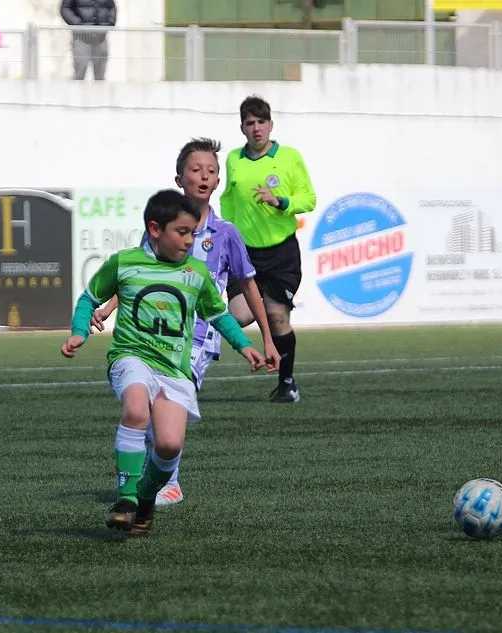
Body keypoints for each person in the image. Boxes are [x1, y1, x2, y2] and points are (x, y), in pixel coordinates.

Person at [61, 189, 266, 535]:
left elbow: (219, 316)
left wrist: (245, 346)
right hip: (131, 357)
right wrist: (79, 332)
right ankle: (125, 499)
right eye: (182, 232)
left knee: (169, 445)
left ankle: (144, 496)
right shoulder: (124, 263)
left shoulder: (196, 274)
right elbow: (88, 299)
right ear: (155, 229)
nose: (190, 240)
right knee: (137, 409)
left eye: (193, 233)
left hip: (174, 370)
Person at [89, 138, 281, 507]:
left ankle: (168, 482)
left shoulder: (227, 235)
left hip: (197, 338)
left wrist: (267, 340)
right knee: (144, 403)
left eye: (211, 170)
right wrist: (110, 306)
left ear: (218, 180)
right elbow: (141, 275)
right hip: (152, 333)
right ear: (180, 178)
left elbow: (248, 286)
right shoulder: (162, 228)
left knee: (163, 403)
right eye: (196, 170)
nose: (204, 176)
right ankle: (149, 479)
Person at [220, 95, 317, 404]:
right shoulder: (234, 159)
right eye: (250, 123)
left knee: (277, 320)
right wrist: (226, 234)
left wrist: (281, 202)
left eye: (262, 122)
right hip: (245, 255)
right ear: (242, 128)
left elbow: (309, 198)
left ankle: (287, 384)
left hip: (281, 255)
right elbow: (227, 200)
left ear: (271, 125)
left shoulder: (289, 157)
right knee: (237, 316)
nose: (256, 128)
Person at [60, 0, 116, 81]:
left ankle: (99, 94)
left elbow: (111, 7)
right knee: (79, 75)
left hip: (101, 38)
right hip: (81, 38)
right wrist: (78, 24)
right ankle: (78, 93)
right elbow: (65, 9)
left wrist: (110, 23)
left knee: (100, 78)